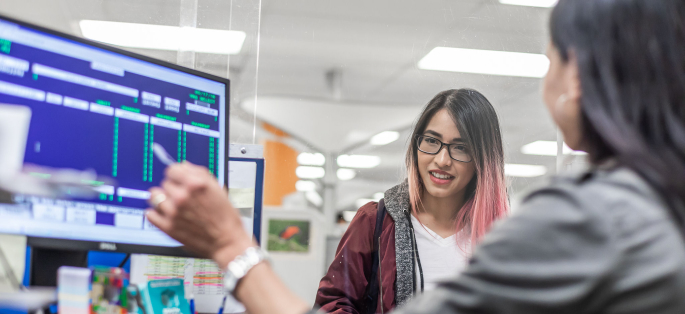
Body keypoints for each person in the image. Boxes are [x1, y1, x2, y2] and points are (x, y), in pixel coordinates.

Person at [146, 0, 685, 313]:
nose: (442, 158)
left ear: (580, 78)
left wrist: (229, 245)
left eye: (551, 60)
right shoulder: (659, 205)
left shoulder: (588, 219)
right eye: (431, 141)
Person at [315, 89, 509, 313]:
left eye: (461, 147)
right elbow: (332, 305)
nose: (442, 160)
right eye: (431, 141)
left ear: (483, 159)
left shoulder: (504, 236)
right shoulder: (374, 223)